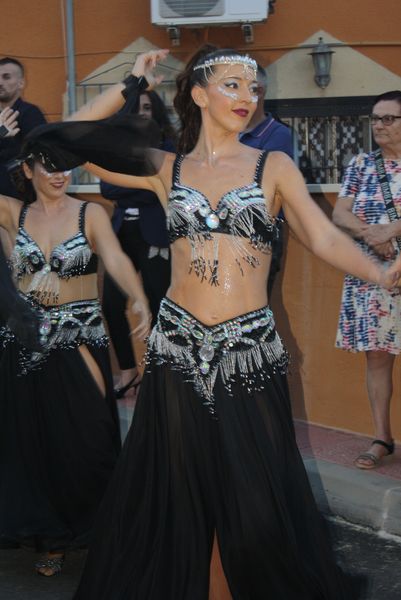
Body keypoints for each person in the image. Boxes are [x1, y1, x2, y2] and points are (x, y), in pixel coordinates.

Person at [24, 47, 401, 599]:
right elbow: (58, 142)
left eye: (253, 88)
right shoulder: (166, 168)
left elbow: (321, 235)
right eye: (232, 85)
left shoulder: (272, 166)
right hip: (177, 349)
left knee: (250, 493)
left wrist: (382, 273)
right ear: (199, 95)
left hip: (248, 350)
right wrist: (130, 85)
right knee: (181, 487)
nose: (248, 97)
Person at [0, 137, 151, 576]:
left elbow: (116, 258)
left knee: (90, 437)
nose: (59, 174)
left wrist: (139, 298)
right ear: (27, 170)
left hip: (80, 338)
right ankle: (52, 540)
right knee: (35, 443)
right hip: (26, 344)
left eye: (65, 165)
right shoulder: (12, 214)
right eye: (48, 165)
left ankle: (102, 529)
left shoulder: (90, 213)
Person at [333, 90, 401, 470]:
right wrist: (371, 235)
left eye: (389, 118)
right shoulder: (361, 164)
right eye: (375, 118)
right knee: (377, 355)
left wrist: (393, 228)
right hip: (371, 275)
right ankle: (382, 437)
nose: (379, 125)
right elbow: (340, 213)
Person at [101, 90, 173, 399]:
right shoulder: (116, 146)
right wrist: (146, 185)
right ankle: (129, 371)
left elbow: (164, 189)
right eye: (136, 108)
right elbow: (107, 188)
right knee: (111, 304)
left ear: (156, 112)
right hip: (121, 235)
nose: (142, 113)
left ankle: (159, 378)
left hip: (155, 234)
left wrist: (128, 185)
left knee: (159, 306)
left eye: (147, 107)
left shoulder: (167, 147)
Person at [240, 63, 293, 296]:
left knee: (253, 305)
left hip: (259, 233)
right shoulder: (228, 132)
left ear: (258, 91)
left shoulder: (278, 135)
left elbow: (261, 187)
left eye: (237, 86)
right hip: (225, 234)